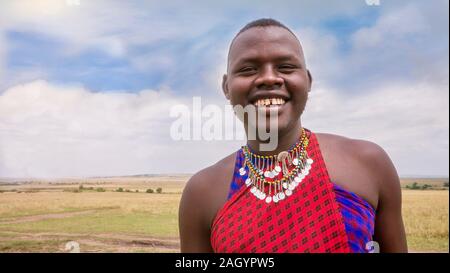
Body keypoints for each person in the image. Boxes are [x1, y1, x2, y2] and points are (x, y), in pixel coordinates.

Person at [178, 18, 408, 253]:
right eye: (248, 69)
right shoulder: (202, 193)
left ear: (307, 81)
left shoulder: (368, 162)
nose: (269, 78)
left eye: (286, 67)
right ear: (227, 87)